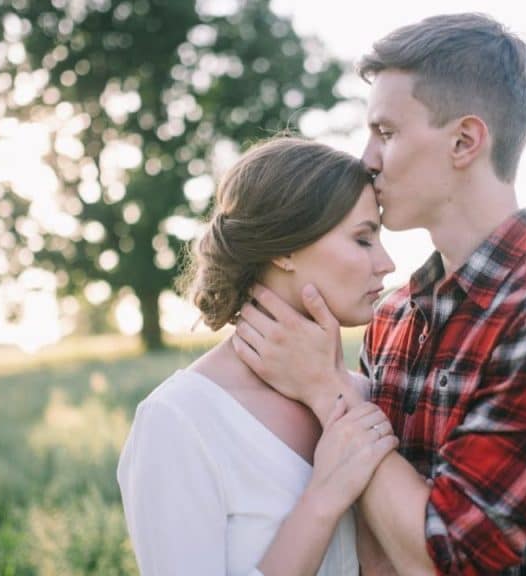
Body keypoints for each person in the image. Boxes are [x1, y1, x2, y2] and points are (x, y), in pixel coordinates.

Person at [233, 13, 526, 575]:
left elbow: (453, 559)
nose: (367, 160)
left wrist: (327, 387)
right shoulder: (394, 316)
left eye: (386, 133)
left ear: (464, 141)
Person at [117, 137, 399, 575]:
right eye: (363, 240)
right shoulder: (180, 419)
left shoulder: (366, 394)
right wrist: (322, 498)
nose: (387, 263)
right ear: (285, 249)